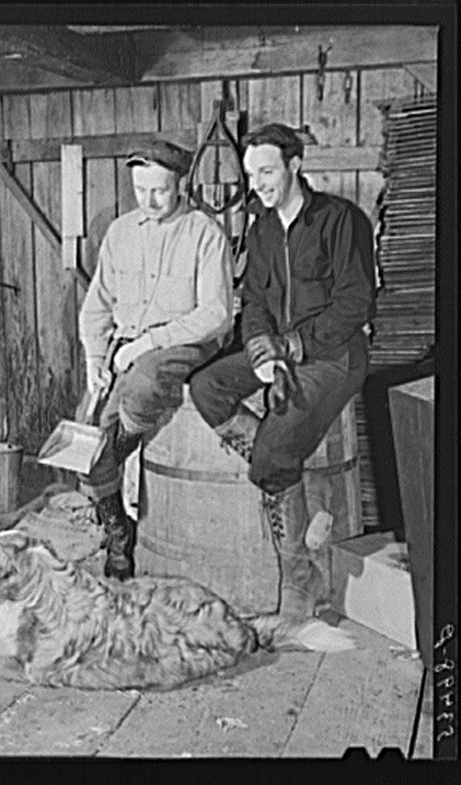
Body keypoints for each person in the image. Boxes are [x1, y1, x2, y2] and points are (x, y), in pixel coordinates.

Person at [189, 123, 377, 624]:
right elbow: (252, 301)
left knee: (272, 452)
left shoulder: (341, 219)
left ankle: (301, 582)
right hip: (281, 352)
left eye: (267, 171)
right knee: (206, 387)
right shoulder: (262, 229)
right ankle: (282, 472)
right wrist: (260, 352)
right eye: (252, 175)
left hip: (334, 357)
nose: (259, 185)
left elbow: (356, 303)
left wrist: (292, 346)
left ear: (295, 165)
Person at [78, 139, 234, 581]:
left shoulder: (205, 232)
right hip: (124, 344)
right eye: (139, 189)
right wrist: (95, 357)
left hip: (183, 341)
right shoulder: (121, 232)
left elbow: (216, 313)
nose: (147, 200)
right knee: (82, 435)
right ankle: (118, 532)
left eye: (159, 191)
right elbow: (97, 305)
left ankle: (109, 455)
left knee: (144, 385)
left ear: (181, 184)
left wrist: (147, 344)